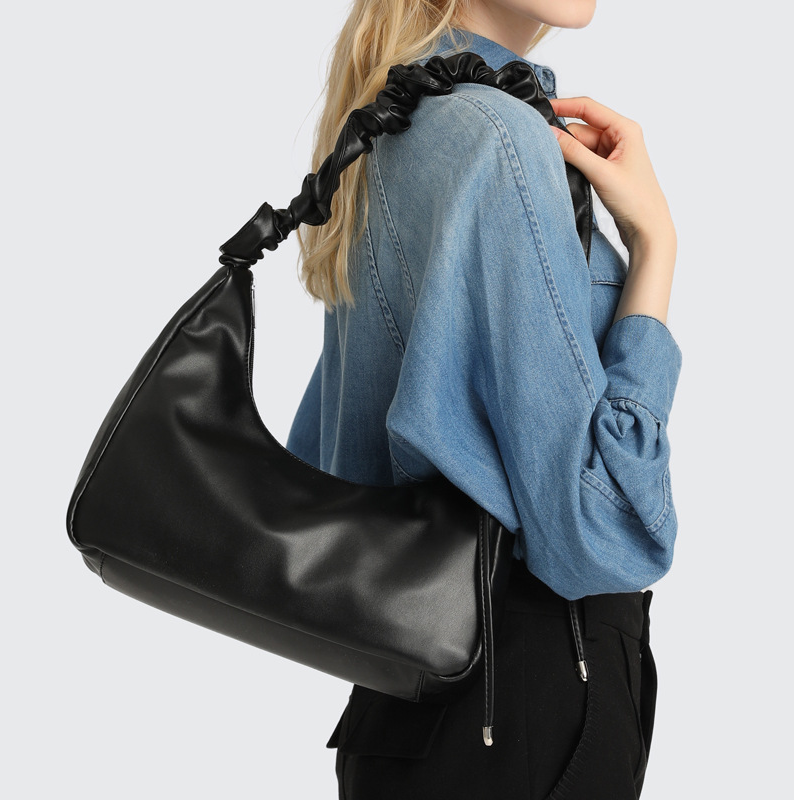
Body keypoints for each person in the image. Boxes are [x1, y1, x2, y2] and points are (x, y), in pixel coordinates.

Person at [285, 1, 682, 798]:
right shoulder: (499, 139)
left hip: (410, 705)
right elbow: (601, 535)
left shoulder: (393, 126)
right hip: (521, 698)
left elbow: (330, 460)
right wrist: (655, 247)